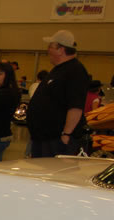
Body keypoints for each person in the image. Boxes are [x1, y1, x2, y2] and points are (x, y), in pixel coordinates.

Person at [27, 30, 88, 158]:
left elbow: (76, 107)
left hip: (56, 140)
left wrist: (66, 134)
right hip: (43, 138)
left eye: (50, 46)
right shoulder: (58, 69)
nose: (47, 50)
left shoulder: (75, 71)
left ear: (61, 49)